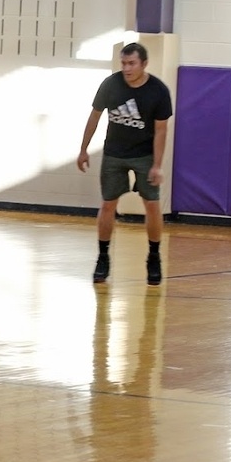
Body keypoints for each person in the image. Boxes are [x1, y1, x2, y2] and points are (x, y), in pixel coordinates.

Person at [76, 42, 173, 285]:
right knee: (108, 204)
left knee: (151, 204)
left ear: (144, 64)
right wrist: (83, 149)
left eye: (132, 64)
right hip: (114, 153)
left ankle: (153, 256)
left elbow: (161, 131)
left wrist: (157, 165)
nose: (127, 68)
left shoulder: (158, 91)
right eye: (123, 63)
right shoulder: (111, 84)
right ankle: (103, 256)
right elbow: (94, 117)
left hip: (144, 155)